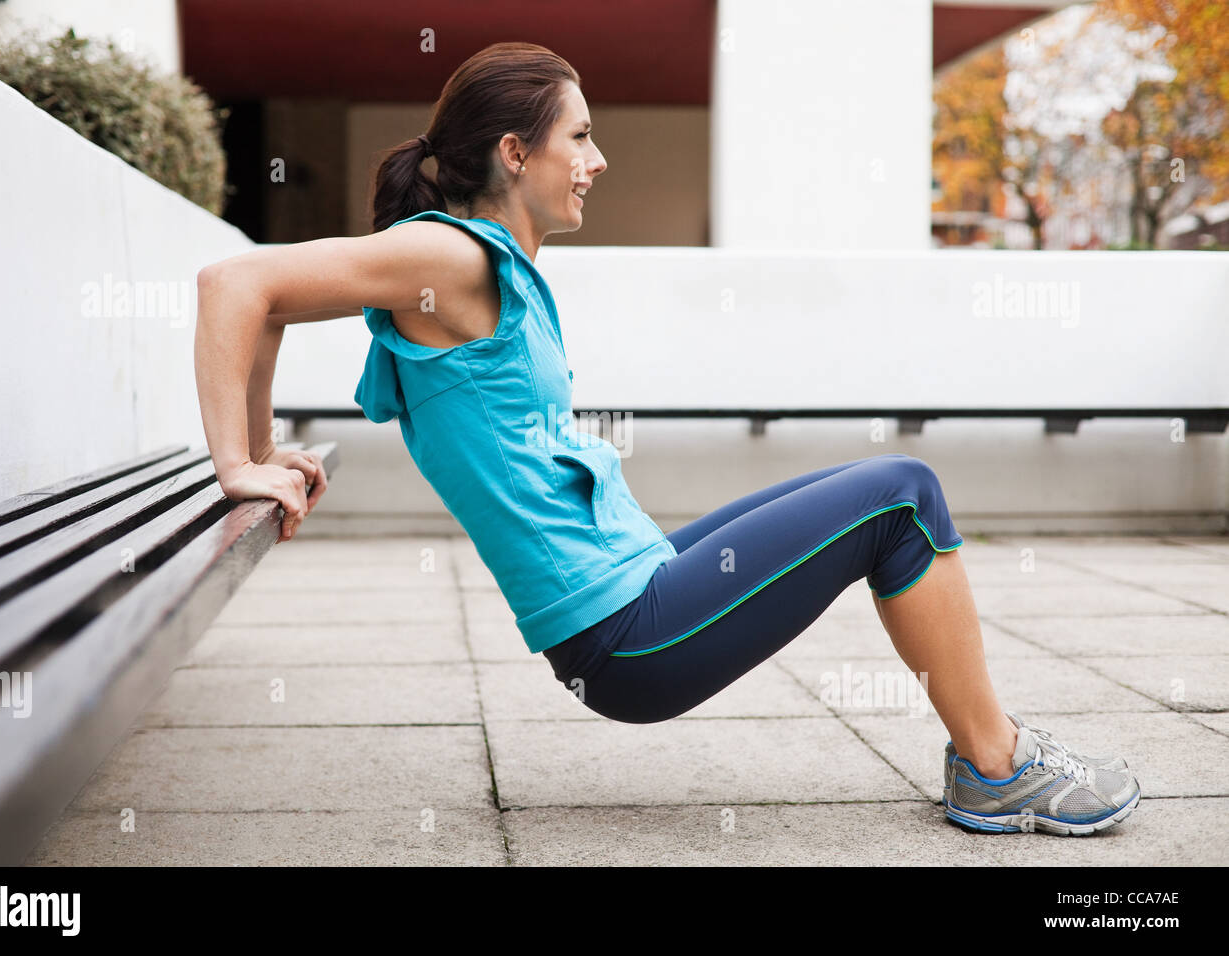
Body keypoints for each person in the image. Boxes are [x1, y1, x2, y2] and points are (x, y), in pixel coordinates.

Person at [193, 41, 1140, 836]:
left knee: (874, 485)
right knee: (903, 493)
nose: (598, 159)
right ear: (517, 154)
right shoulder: (452, 254)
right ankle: (998, 766)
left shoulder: (484, 264)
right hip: (628, 636)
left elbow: (273, 297)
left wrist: (265, 442)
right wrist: (239, 462)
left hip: (634, 586)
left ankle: (995, 757)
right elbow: (239, 286)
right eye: (582, 136)